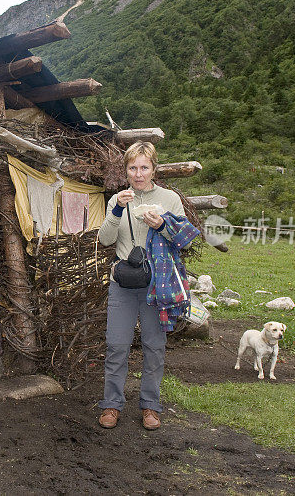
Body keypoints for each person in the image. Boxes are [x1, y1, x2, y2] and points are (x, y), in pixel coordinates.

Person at [96, 141, 193, 430]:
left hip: (158, 284)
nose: (138, 174)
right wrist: (116, 212)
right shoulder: (118, 199)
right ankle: (111, 405)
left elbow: (184, 238)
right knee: (116, 346)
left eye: (144, 167)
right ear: (126, 170)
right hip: (123, 283)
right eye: (133, 167)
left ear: (154, 169)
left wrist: (162, 226)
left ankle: (150, 406)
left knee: (154, 346)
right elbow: (104, 240)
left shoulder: (169, 199)